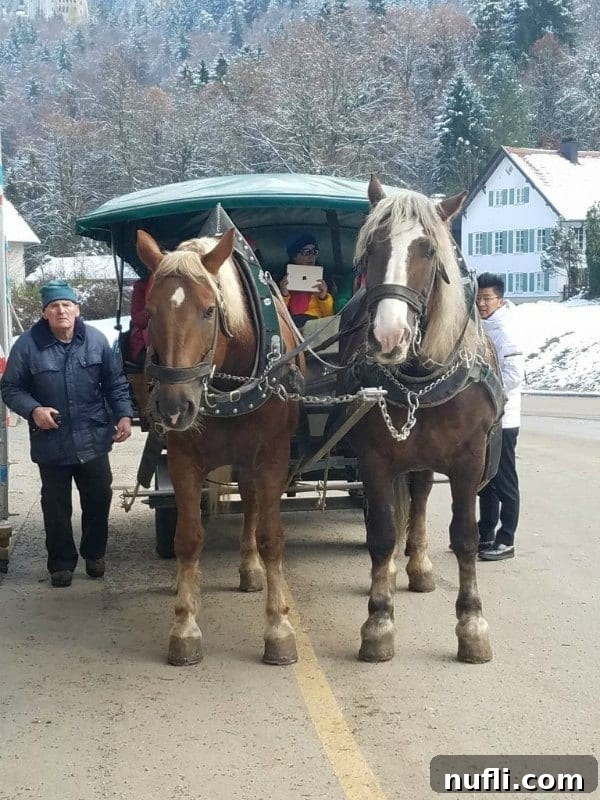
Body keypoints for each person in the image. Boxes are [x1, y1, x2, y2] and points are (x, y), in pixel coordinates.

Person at [0, 280, 133, 587]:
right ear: (45, 313)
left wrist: (124, 415)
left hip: (94, 438)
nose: (61, 311)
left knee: (99, 497)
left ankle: (94, 553)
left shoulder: (97, 341)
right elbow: (10, 388)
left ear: (77, 309)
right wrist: (34, 410)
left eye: (66, 305)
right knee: (56, 505)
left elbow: (115, 384)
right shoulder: (27, 346)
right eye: (54, 306)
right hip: (52, 442)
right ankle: (60, 563)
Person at [476, 272, 525, 562]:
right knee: (487, 478)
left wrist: (487, 394)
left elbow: (515, 376)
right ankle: (485, 534)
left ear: (500, 300)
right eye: (479, 298)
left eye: (487, 298)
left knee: (504, 478)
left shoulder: (505, 329)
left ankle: (506, 539)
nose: (481, 303)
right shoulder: (484, 325)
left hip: (504, 419)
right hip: (487, 417)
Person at [279, 232, 334, 326]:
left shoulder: (323, 279)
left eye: (314, 252)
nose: (312, 256)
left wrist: (323, 297)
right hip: (291, 326)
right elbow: (278, 316)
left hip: (316, 326)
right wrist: (284, 295)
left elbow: (330, 317)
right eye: (306, 252)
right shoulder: (283, 279)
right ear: (294, 255)